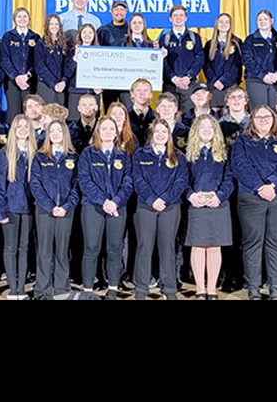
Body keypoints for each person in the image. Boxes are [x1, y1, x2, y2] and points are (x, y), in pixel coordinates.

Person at [230, 105, 277, 300]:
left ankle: (274, 286)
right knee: (252, 242)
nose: (263, 120)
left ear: (274, 119)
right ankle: (253, 287)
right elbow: (240, 165)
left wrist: (273, 184)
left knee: (275, 242)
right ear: (252, 120)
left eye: (267, 117)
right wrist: (260, 186)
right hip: (251, 198)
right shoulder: (242, 141)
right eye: (258, 118)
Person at [131, 118, 189, 300]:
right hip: (145, 206)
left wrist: (164, 199)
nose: (161, 135)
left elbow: (181, 181)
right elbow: (137, 180)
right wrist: (151, 199)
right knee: (144, 246)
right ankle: (141, 287)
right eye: (157, 132)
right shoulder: (140, 155)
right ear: (151, 134)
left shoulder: (178, 156)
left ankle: (169, 288)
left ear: (169, 135)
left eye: (164, 132)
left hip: (170, 207)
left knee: (167, 247)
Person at [77, 116, 134, 299]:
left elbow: (128, 182)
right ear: (98, 132)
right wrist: (104, 201)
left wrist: (115, 201)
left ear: (116, 133)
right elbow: (84, 181)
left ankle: (113, 287)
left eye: (111, 129)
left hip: (117, 207)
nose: (108, 132)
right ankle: (88, 290)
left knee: (115, 248)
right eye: (104, 129)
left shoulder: (123, 155)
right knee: (91, 248)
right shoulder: (88, 153)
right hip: (93, 206)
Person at [184, 115, 233, 300]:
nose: (206, 130)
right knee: (198, 246)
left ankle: (211, 289)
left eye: (210, 127)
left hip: (218, 204)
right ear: (195, 130)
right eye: (202, 126)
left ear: (216, 131)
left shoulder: (224, 152)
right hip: (196, 204)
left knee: (214, 247)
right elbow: (184, 179)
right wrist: (191, 195)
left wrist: (219, 196)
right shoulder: (188, 154)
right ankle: (200, 289)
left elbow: (229, 178)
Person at [29, 120, 80, 299]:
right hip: (44, 210)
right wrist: (50, 206)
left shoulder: (73, 156)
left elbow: (77, 185)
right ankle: (42, 289)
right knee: (44, 250)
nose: (56, 133)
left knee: (62, 250)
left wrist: (66, 206)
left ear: (65, 133)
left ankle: (61, 289)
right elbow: (35, 184)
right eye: (52, 131)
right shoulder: (40, 157)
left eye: (60, 130)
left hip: (66, 211)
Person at [0, 115, 37, 300]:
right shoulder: (5, 153)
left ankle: (21, 287)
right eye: (19, 126)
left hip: (29, 209)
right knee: (10, 247)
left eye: (26, 126)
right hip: (10, 207)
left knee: (24, 247)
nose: (23, 129)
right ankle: (13, 288)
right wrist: (0, 210)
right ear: (13, 130)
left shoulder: (36, 152)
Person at [158, 4, 204, 112]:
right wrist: (173, 78)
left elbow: (199, 59)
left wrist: (189, 77)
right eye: (175, 15)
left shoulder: (194, 37)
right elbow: (162, 62)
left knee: (189, 116)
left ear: (186, 18)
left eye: (181, 15)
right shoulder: (165, 39)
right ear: (170, 19)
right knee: (168, 115)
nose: (178, 18)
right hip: (170, 85)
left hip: (189, 85)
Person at [0, 7, 40, 121]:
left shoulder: (35, 37)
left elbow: (38, 61)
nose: (22, 19)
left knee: (30, 114)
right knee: (14, 115)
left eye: (25, 16)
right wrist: (16, 77)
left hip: (29, 82)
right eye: (19, 16)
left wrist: (27, 76)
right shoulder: (8, 37)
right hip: (12, 82)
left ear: (29, 19)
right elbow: (4, 59)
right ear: (14, 19)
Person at [242, 10, 277, 112]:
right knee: (259, 112)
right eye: (259, 20)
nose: (262, 22)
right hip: (256, 80)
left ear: (271, 21)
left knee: (275, 113)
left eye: (265, 19)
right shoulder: (250, 40)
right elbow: (247, 60)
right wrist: (263, 75)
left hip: (276, 82)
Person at [65, 23, 103, 121]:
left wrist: (100, 86)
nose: (87, 35)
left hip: (93, 93)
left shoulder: (101, 53)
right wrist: (75, 58)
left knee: (93, 125)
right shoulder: (72, 51)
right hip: (76, 93)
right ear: (80, 34)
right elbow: (68, 73)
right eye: (84, 32)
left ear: (94, 35)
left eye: (90, 32)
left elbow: (104, 73)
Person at [204, 13, 242, 110]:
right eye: (221, 22)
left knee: (228, 112)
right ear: (217, 24)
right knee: (214, 114)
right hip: (213, 85)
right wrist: (214, 81)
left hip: (230, 84)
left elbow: (237, 65)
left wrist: (223, 81)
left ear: (230, 25)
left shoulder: (237, 43)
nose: (223, 24)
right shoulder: (209, 44)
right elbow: (206, 65)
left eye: (226, 22)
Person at [35, 14, 70, 107]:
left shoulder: (64, 44)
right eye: (51, 24)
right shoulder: (41, 43)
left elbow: (67, 66)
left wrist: (64, 81)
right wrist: (54, 83)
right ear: (47, 26)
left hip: (62, 86)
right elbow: (40, 66)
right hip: (46, 85)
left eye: (56, 24)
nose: (54, 27)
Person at [128, 78, 156, 147]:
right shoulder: (125, 116)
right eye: (139, 90)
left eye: (146, 90)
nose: (142, 93)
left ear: (150, 95)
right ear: (132, 94)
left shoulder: (157, 117)